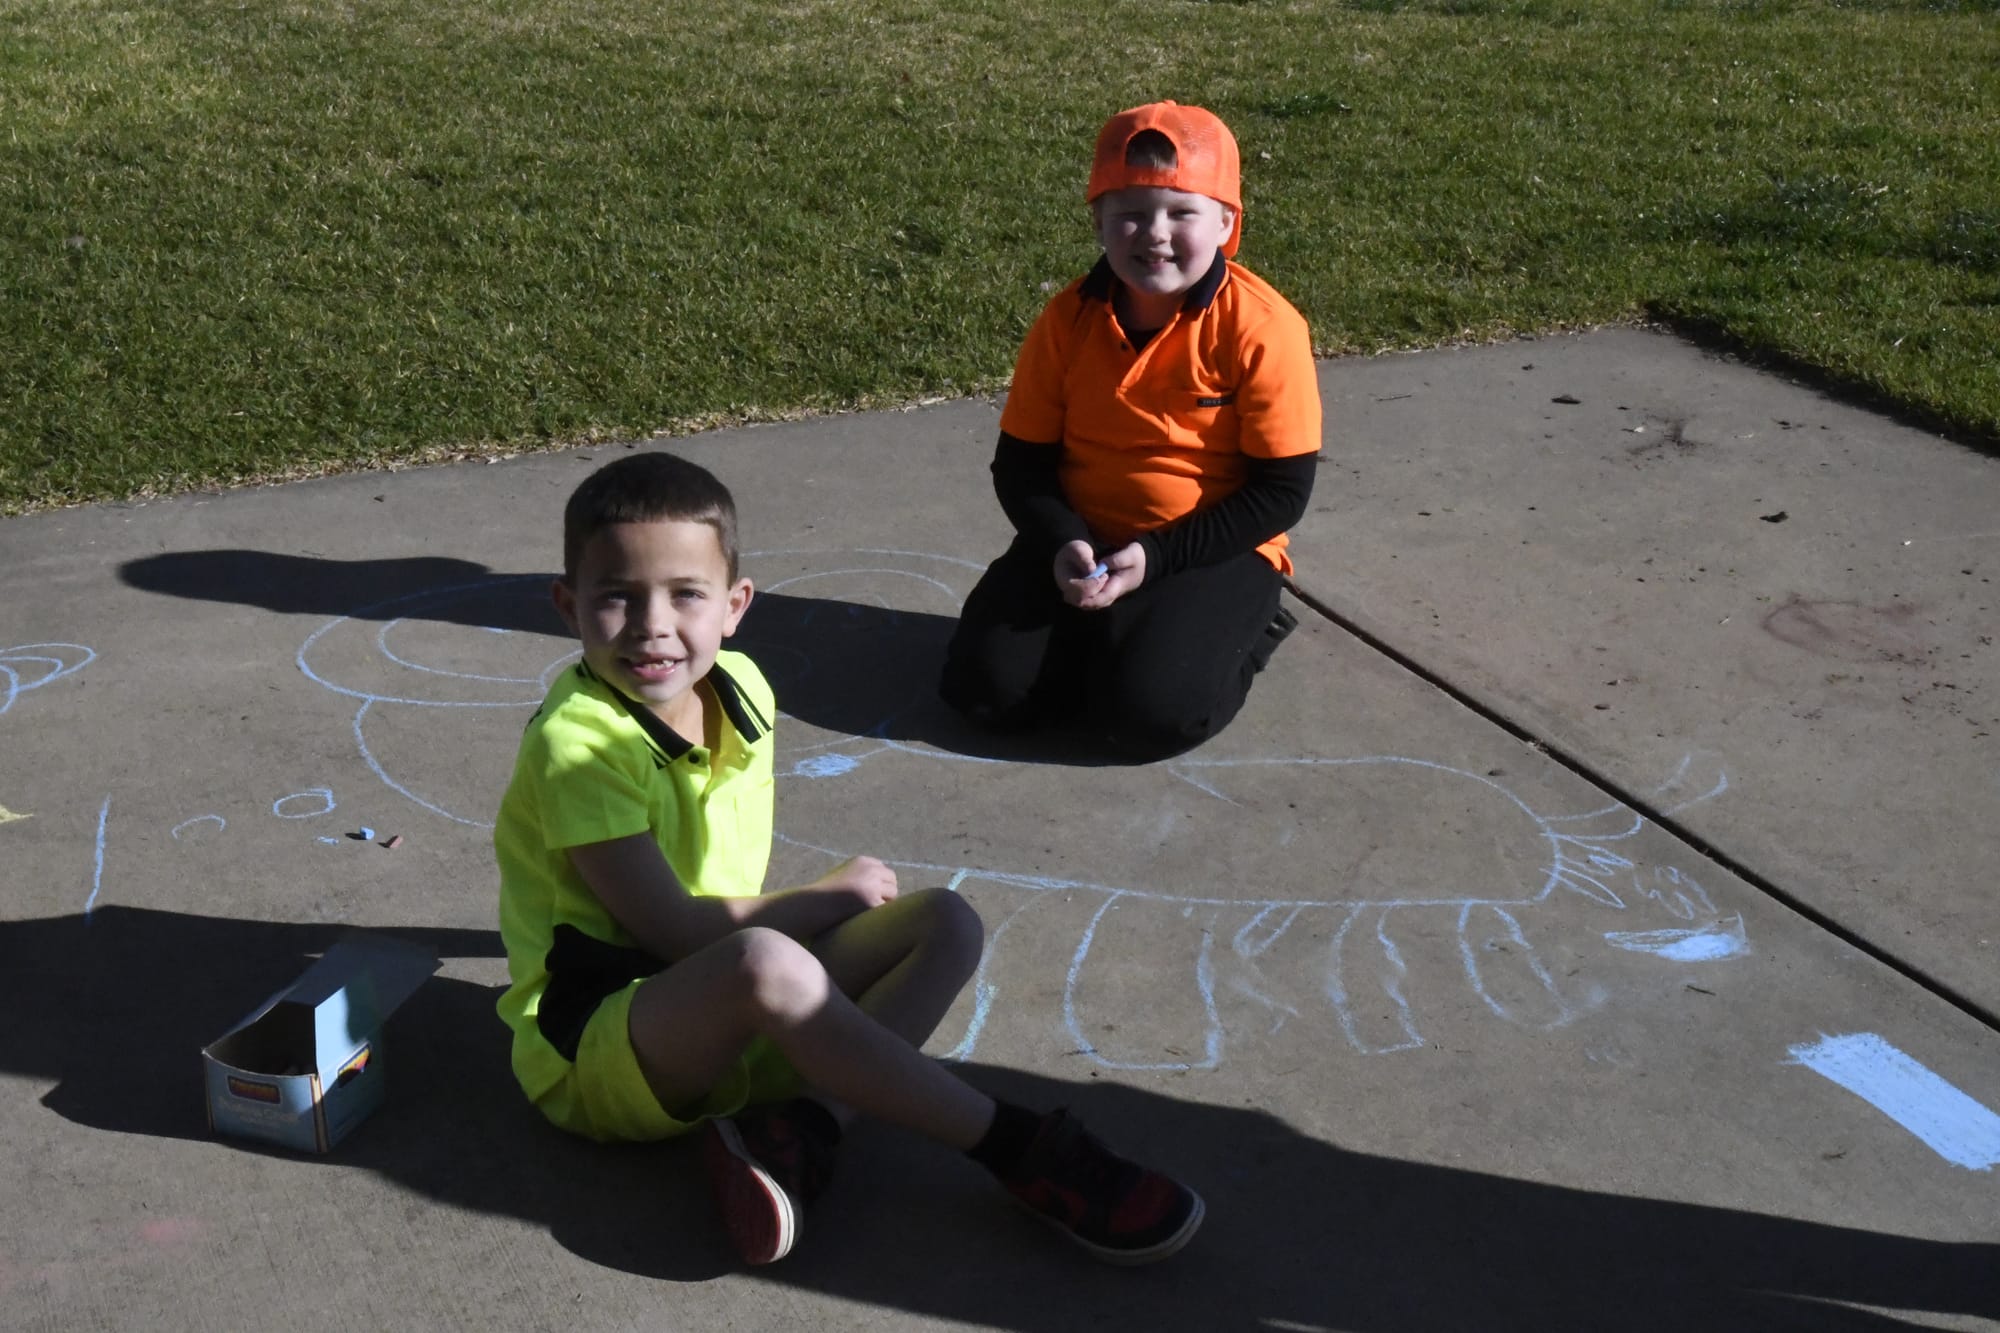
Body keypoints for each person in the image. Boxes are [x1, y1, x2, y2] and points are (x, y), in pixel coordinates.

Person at [493, 451, 1204, 1266]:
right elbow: (675, 932)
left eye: (685, 594)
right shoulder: (576, 745)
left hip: (729, 1008)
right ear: (566, 605)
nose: (654, 623)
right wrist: (826, 896)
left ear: (735, 606)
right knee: (767, 958)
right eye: (617, 595)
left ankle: (803, 1128)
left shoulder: (745, 689)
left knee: (946, 922)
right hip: (601, 1048)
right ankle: (1016, 1147)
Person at [941, 101, 1321, 760]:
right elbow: (1020, 465)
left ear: (1228, 222)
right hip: (1085, 543)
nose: (1154, 233)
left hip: (1208, 546)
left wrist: (1158, 557)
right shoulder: (1067, 321)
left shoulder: (1263, 328)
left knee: (1149, 719)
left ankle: (1248, 629)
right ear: (1099, 223)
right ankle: (1114, 637)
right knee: (981, 694)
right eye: (1130, 214)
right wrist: (1062, 541)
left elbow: (1281, 492)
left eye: (1182, 212)